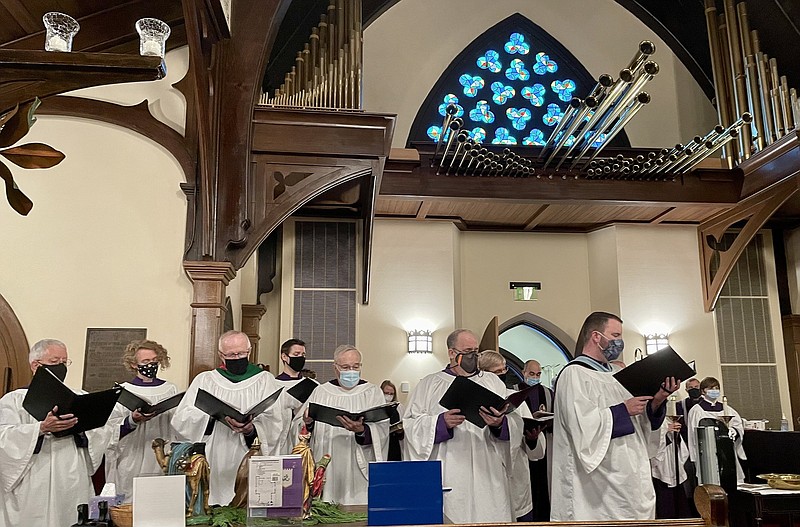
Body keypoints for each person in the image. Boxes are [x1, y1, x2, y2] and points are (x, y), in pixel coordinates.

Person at [551, 312, 679, 521]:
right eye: (615, 335)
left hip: (631, 474)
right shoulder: (574, 374)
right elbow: (581, 426)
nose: (620, 342)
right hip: (597, 483)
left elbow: (641, 423)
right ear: (596, 336)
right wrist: (622, 410)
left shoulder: (617, 376)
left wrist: (658, 400)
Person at [403, 329, 517, 523]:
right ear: (451, 353)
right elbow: (411, 424)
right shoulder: (429, 384)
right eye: (467, 351)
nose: (473, 356)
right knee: (453, 515)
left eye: (476, 351)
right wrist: (440, 423)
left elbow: (514, 422)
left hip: (487, 467)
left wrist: (499, 423)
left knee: (490, 514)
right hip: (450, 468)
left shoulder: (492, 382)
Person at [0, 339, 117, 527]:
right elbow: (3, 436)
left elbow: (102, 431)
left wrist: (83, 430)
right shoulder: (14, 400)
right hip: (34, 476)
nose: (61, 367)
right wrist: (40, 428)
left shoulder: (80, 396)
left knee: (70, 517)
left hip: (71, 472)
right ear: (35, 365)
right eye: (55, 362)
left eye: (64, 362)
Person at [171, 330, 284, 505]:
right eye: (231, 354)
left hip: (248, 452)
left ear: (249, 352)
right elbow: (182, 419)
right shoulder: (205, 380)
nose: (237, 357)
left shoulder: (265, 380)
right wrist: (212, 415)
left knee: (246, 503)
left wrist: (251, 429)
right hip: (216, 452)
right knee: (216, 500)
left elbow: (275, 421)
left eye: (241, 353)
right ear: (220, 355)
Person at [303, 345, 389, 505]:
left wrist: (362, 431)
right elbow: (306, 433)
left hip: (360, 463)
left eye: (356, 367)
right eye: (345, 367)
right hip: (330, 462)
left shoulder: (372, 392)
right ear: (335, 367)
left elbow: (382, 430)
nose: (351, 371)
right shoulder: (321, 392)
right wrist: (308, 423)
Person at [105, 339, 179, 503]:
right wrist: (132, 420)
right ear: (133, 364)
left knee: (159, 502)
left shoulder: (170, 389)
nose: (151, 365)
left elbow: (179, 425)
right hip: (132, 455)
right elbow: (110, 429)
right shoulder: (123, 391)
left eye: (154, 361)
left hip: (161, 455)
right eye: (145, 362)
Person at [479, 351, 538, 522]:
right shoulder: (476, 398)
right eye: (497, 372)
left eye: (504, 370)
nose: (503, 374)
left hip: (516, 474)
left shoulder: (514, 397)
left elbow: (530, 437)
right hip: (487, 475)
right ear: (484, 373)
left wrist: (532, 439)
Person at [687, 376, 746, 484]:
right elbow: (693, 435)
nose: (714, 391)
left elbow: (738, 425)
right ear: (703, 391)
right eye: (710, 389)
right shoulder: (697, 410)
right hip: (708, 453)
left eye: (716, 388)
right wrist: (695, 457)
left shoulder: (726, 409)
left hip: (727, 450)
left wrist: (734, 431)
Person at [519, 358, 553, 521]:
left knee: (543, 487)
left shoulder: (547, 392)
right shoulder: (514, 392)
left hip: (545, 445)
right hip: (521, 448)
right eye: (531, 373)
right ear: (523, 373)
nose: (535, 377)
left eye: (538, 374)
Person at [274, 338, 318, 454]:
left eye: (303, 354)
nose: (301, 358)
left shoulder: (314, 386)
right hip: (280, 443)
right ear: (284, 357)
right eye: (296, 354)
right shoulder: (272, 386)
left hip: (306, 442)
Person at [649, 418, 691, 518]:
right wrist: (665, 430)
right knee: (665, 504)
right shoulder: (649, 418)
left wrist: (676, 433)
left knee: (680, 504)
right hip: (660, 467)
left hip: (672, 462)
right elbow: (649, 438)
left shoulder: (667, 418)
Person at [380, 380, 404, 461]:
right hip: (381, 442)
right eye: (386, 393)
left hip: (395, 442)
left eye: (391, 394)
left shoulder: (399, 407)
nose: (389, 396)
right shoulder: (376, 407)